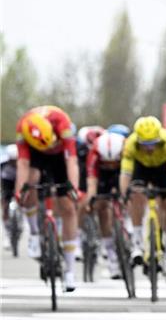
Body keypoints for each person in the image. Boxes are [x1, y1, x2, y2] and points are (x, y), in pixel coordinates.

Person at [14, 106, 81, 291]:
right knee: (30, 183)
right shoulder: (23, 128)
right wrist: (20, 191)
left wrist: (73, 188)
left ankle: (70, 271)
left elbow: (71, 160)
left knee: (68, 206)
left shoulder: (62, 123)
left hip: (60, 155)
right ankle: (34, 234)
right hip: (36, 153)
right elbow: (23, 163)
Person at [119, 116, 166, 276]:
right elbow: (125, 174)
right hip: (141, 168)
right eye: (144, 144)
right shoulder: (131, 144)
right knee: (135, 195)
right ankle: (137, 242)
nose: (149, 148)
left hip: (163, 168)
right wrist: (125, 194)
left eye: (152, 143)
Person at [85, 131, 126, 278]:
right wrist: (91, 199)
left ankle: (129, 227)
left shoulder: (126, 150)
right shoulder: (94, 153)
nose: (110, 165)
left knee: (130, 196)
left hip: (122, 173)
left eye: (113, 162)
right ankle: (111, 255)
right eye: (107, 163)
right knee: (101, 205)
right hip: (101, 176)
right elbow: (92, 181)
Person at [2, 144, 19, 249]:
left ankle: (20, 220)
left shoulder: (22, 163)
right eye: (12, 161)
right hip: (7, 186)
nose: (14, 163)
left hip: (18, 185)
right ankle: (7, 234)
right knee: (5, 206)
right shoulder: (3, 165)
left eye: (15, 160)